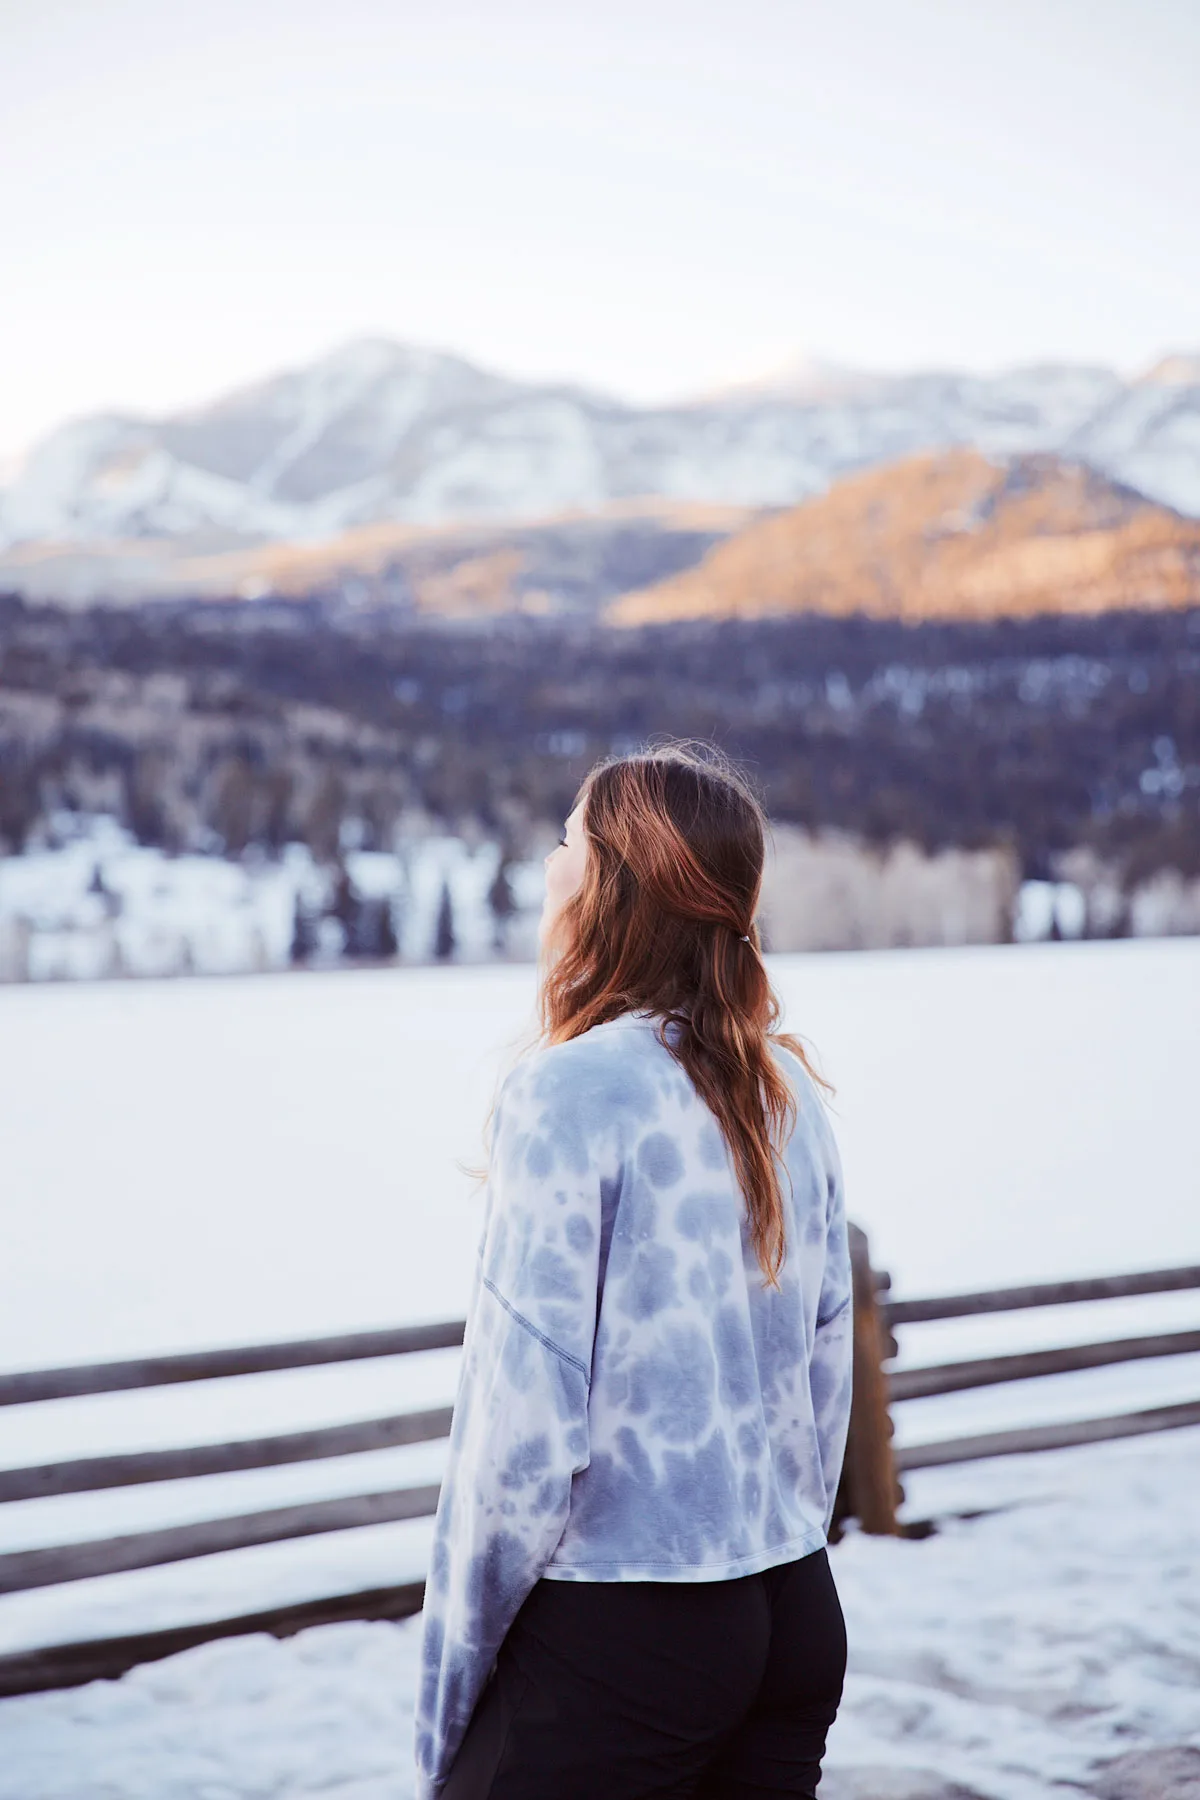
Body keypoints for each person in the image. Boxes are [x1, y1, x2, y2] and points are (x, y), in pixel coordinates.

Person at [414, 741, 853, 1800]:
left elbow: (519, 1438)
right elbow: (823, 1384)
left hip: (628, 1623)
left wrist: (449, 1699)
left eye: (566, 838)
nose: (550, 861)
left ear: (608, 879)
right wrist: (773, 1538)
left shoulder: (571, 1094)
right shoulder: (785, 1089)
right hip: (789, 1604)